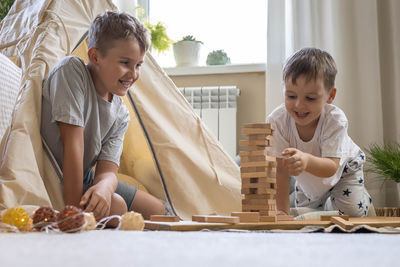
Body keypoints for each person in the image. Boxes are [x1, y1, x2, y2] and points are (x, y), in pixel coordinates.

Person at [41, 11, 166, 222]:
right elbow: (73, 144)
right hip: (59, 171)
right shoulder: (71, 71)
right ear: (95, 57)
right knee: (117, 205)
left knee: (158, 210)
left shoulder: (120, 113)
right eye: (125, 63)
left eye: (138, 65)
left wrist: (104, 187)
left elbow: (108, 170)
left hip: (86, 178)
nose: (133, 74)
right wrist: (74, 214)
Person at [266, 47, 372, 217]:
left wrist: (306, 160)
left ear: (330, 96)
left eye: (310, 98)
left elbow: (331, 167)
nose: (299, 105)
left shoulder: (335, 120)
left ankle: (361, 199)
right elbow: (281, 171)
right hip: (308, 177)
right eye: (291, 96)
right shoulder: (277, 121)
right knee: (302, 217)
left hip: (344, 170)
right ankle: (327, 205)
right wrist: (282, 212)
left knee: (351, 215)